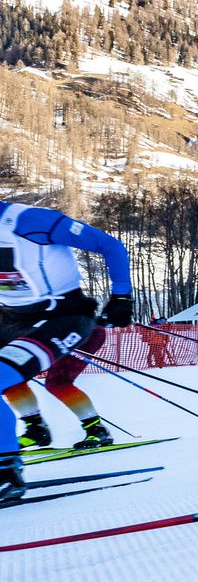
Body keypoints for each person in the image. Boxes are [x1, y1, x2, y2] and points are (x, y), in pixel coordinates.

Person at [0, 202, 135, 503]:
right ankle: (33, 429)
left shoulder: (28, 220)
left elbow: (108, 244)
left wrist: (121, 297)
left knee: (56, 382)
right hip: (13, 320)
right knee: (9, 377)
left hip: (62, 317)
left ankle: (6, 472)